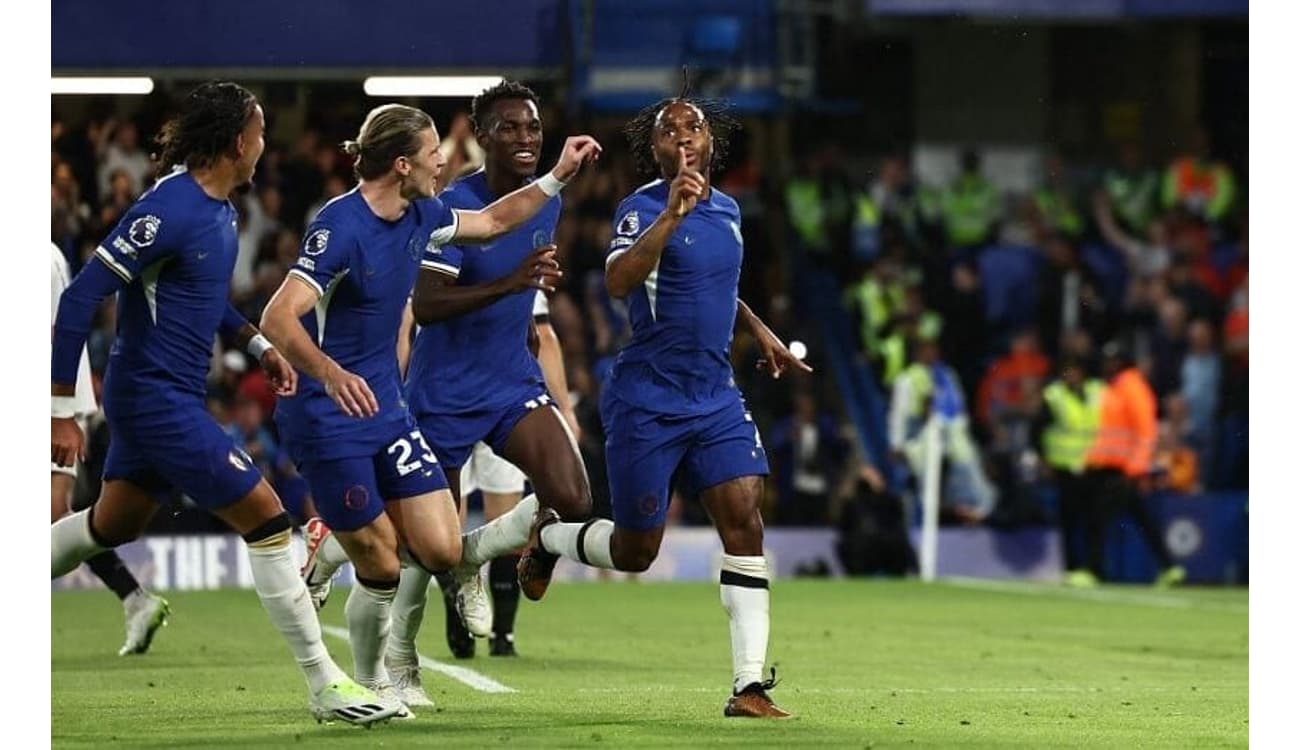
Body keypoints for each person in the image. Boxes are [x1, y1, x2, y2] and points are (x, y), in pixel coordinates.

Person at [49, 81, 400, 726]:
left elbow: (201, 297)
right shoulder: (170, 208)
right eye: (262, 135)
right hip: (152, 398)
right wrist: (57, 410)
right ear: (238, 142)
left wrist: (258, 341)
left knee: (112, 524)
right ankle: (325, 683)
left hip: (168, 395)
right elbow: (78, 301)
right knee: (267, 518)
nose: (266, 148)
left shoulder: (221, 211)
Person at [260, 102, 599, 713]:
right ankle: (373, 681)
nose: (445, 160)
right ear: (401, 164)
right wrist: (331, 373)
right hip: (331, 413)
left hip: (388, 409)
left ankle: (330, 543)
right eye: (434, 151)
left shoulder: (424, 212)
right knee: (384, 561)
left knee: (442, 551)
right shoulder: (339, 226)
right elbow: (279, 317)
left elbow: (495, 222)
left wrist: (558, 176)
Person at [513, 93, 808, 718]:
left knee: (744, 520)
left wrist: (758, 329)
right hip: (647, 398)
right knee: (636, 551)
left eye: (693, 127)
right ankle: (551, 539)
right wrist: (671, 215)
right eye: (669, 131)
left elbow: (714, 285)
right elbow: (619, 281)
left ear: (709, 143)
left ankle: (748, 685)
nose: (682, 137)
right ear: (657, 149)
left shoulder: (728, 211)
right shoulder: (640, 208)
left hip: (714, 396)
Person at [50, 243, 170, 656]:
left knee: (51, 515)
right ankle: (136, 599)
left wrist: (62, 412)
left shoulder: (43, 258)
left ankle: (136, 599)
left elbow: (61, 332)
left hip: (51, 405)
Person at [1080, 340, 1186, 586]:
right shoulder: (1114, 387)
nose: (1109, 365)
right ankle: (1169, 567)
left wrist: (1136, 469)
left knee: (1098, 518)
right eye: (1107, 360)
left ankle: (1093, 570)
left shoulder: (1132, 386)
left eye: (1113, 360)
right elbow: (1106, 430)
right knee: (1142, 519)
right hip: (1109, 465)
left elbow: (1145, 431)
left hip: (1123, 469)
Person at [1034, 356, 1103, 587]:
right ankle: (1070, 567)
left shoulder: (1097, 391)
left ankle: (1093, 569)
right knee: (1069, 522)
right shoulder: (1053, 396)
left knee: (1094, 521)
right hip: (1064, 467)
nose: (1071, 376)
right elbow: (1037, 430)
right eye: (1066, 371)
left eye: (1074, 371)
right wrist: (1045, 460)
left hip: (1094, 466)